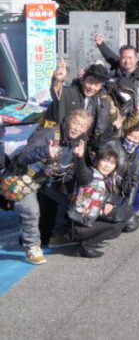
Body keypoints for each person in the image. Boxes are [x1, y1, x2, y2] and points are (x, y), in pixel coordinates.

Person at [3, 108, 93, 264]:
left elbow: (77, 175)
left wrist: (79, 159)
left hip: (44, 181)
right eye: (76, 122)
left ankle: (57, 236)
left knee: (67, 200)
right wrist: (44, 151)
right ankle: (32, 247)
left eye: (83, 125)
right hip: (22, 180)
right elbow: (23, 157)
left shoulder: (78, 144)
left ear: (86, 129)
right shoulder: (48, 134)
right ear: (67, 120)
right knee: (32, 211)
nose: (78, 128)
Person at [67, 144, 127, 258]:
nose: (107, 165)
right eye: (105, 161)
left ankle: (93, 240)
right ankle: (86, 246)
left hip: (91, 219)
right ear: (97, 161)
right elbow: (81, 171)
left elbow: (113, 194)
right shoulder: (89, 175)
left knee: (121, 221)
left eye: (112, 163)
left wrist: (109, 202)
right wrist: (79, 158)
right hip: (79, 225)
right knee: (114, 226)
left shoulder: (109, 180)